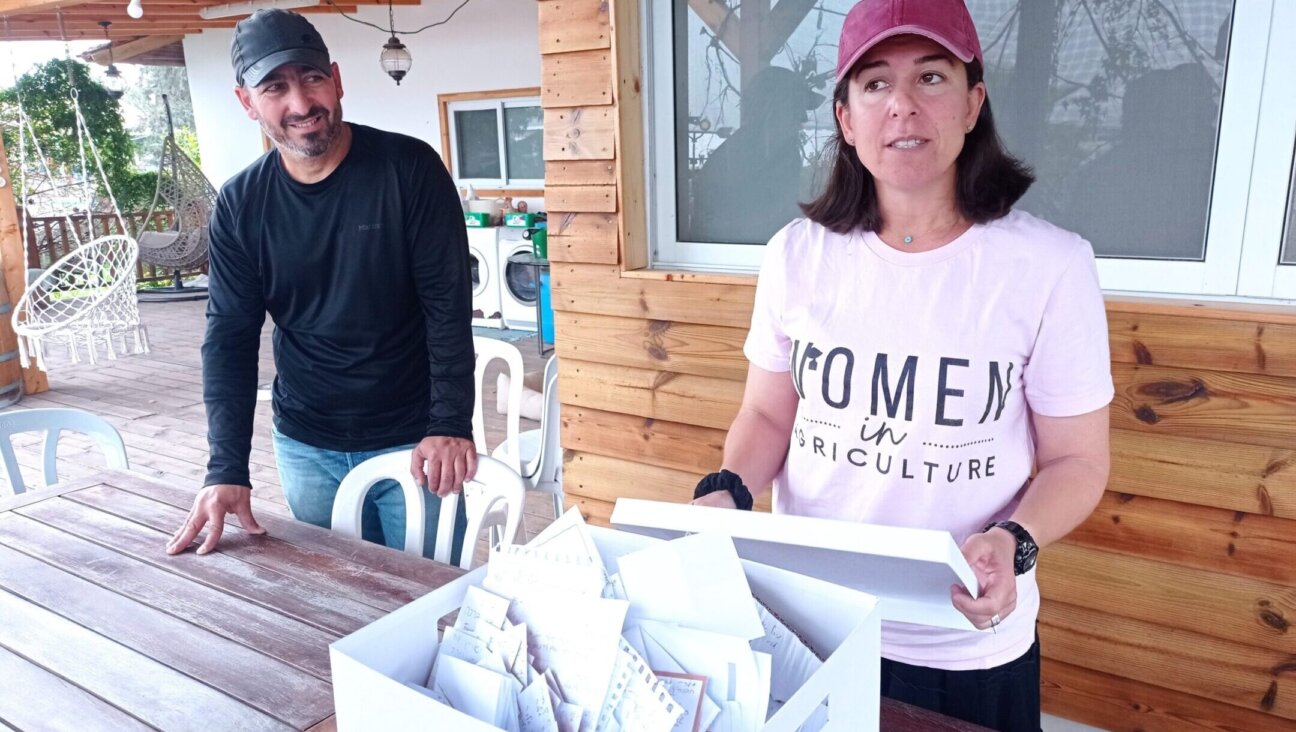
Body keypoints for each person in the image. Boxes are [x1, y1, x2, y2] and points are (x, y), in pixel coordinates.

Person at [690, 1, 1113, 729]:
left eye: (932, 77)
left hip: (962, 640)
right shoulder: (796, 254)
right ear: (846, 118)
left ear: (974, 102)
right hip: (809, 619)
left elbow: (1077, 459)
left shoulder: (1050, 266)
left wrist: (1014, 544)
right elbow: (767, 414)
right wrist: (730, 488)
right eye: (876, 83)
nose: (904, 106)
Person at [166, 9, 477, 561]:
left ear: (335, 79)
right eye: (275, 87)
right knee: (341, 600)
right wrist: (226, 467)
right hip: (306, 443)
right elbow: (230, 338)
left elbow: (446, 307)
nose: (301, 104)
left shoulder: (409, 170)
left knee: (434, 601)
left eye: (311, 78)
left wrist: (450, 423)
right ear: (247, 102)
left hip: (416, 439)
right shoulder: (241, 205)